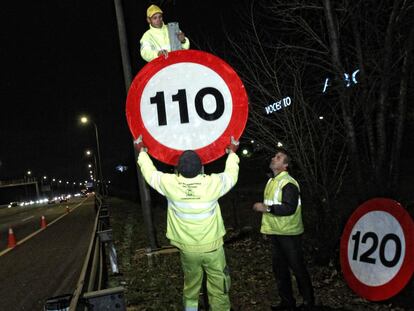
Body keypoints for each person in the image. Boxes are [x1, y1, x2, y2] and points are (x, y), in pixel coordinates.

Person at [134, 135, 239, 311]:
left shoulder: (170, 184)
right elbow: (231, 175)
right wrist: (232, 153)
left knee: (191, 288)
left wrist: (142, 152)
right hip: (213, 248)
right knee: (219, 288)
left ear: (178, 170)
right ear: (201, 169)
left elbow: (150, 174)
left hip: (187, 250)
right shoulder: (212, 183)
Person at [252, 149, 314, 311]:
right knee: (280, 270)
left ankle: (308, 303)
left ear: (285, 165)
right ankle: (287, 303)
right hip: (276, 233)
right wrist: (267, 229)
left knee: (298, 268)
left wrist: (266, 208)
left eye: (278, 157)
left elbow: (289, 208)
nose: (273, 158)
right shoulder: (272, 181)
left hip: (289, 234)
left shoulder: (288, 183)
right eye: (274, 156)